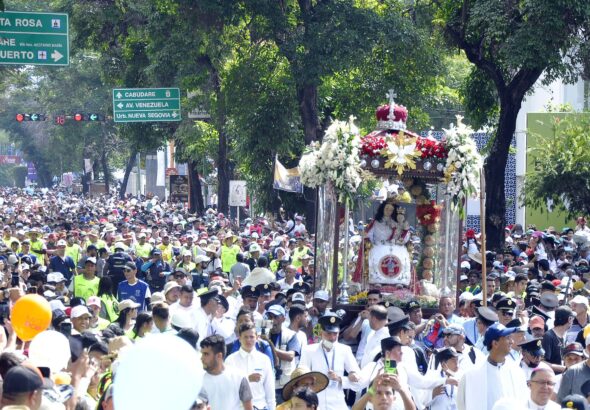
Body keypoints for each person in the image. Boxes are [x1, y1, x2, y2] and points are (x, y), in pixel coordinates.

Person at [457, 323, 528, 410]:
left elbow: (524, 403)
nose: (512, 341)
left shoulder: (517, 372)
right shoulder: (471, 375)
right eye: (507, 338)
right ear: (495, 343)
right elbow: (461, 406)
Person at [299, 312, 361, 410]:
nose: (332, 338)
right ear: (320, 332)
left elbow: (358, 382)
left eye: (335, 334)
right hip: (316, 404)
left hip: (338, 404)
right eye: (328, 333)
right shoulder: (308, 350)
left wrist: (340, 378)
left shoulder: (344, 350)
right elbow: (300, 379)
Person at [225, 322, 276, 410]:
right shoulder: (230, 360)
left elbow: (270, 390)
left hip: (261, 406)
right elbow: (227, 388)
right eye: (245, 337)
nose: (248, 340)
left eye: (251, 337)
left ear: (256, 337)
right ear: (239, 338)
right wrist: (247, 379)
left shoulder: (264, 359)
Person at [200, 334, 254, 410]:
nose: (202, 358)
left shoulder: (239, 376)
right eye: (202, 353)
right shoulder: (199, 380)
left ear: (219, 356)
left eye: (206, 354)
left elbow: (249, 408)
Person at [263, 304, 301, 403]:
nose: (273, 320)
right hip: (266, 383)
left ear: (283, 319)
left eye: (276, 317)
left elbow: (290, 356)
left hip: (284, 385)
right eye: (270, 317)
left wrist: (270, 346)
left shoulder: (291, 335)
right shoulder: (263, 335)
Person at [542, 305, 574, 374]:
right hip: (551, 379)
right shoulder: (548, 336)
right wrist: (564, 369)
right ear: (569, 319)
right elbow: (542, 362)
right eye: (572, 318)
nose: (573, 321)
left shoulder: (564, 336)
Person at [557, 335, 590, 401]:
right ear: (589, 348)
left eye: (576, 358)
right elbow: (561, 403)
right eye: (569, 359)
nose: (573, 362)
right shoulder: (572, 372)